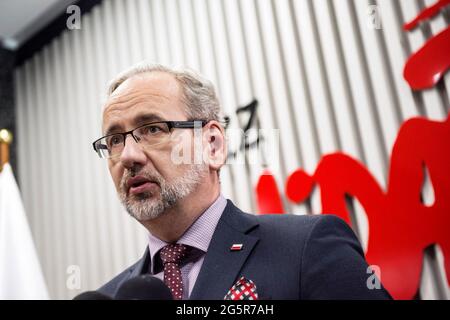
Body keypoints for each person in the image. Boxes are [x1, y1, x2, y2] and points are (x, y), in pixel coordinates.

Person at [93, 62, 391, 300]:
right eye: (115, 140)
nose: (129, 155)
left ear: (212, 145)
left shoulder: (305, 249)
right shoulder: (109, 296)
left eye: (153, 129)